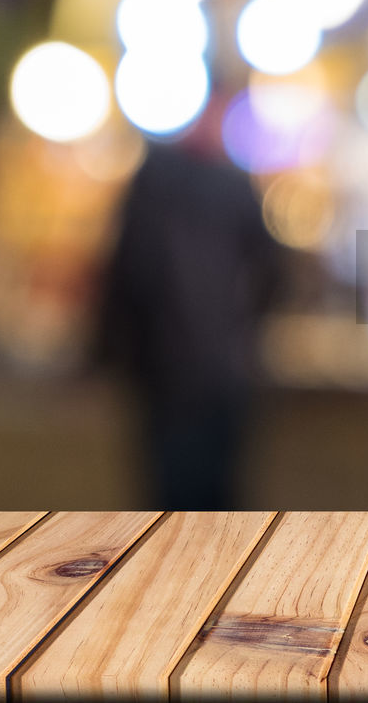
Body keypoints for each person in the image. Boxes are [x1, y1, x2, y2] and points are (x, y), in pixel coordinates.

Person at [100, 115, 282, 510]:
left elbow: (125, 275)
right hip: (221, 371)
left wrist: (109, 354)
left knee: (171, 506)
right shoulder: (234, 185)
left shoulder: (151, 185)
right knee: (218, 503)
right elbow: (273, 272)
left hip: (169, 373)